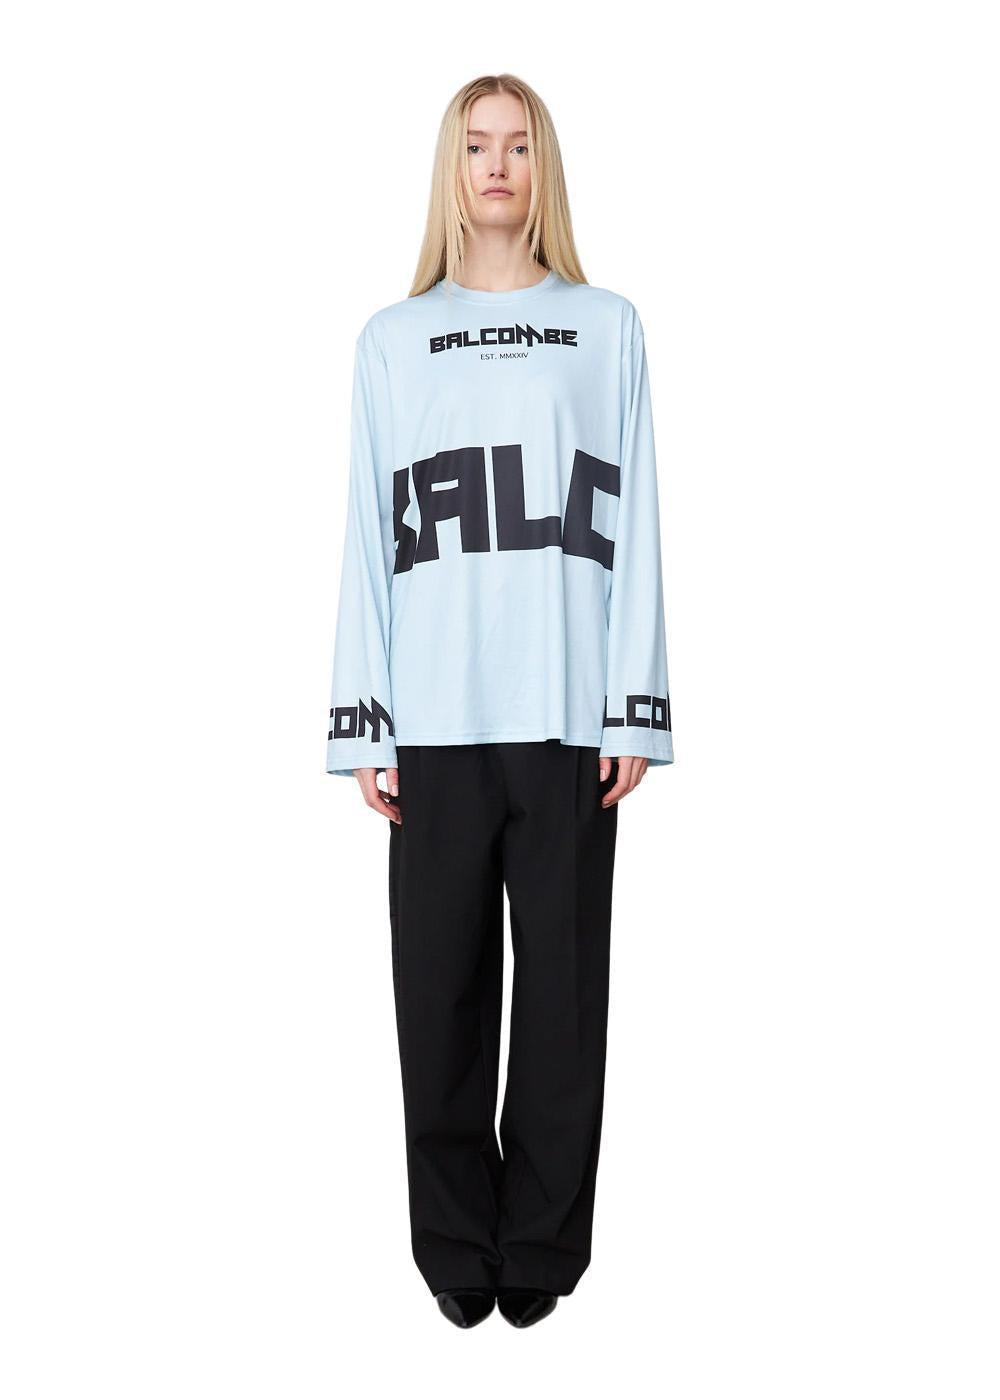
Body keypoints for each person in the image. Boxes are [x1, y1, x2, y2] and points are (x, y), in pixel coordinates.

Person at [325, 73, 673, 1330]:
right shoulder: (392, 339)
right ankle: (454, 1243)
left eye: (518, 145)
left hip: (569, 709)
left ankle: (539, 1241)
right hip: (434, 714)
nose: (496, 166)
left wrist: (635, 708)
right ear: (450, 165)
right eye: (476, 145)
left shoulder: (606, 327)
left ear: (542, 166)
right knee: (440, 994)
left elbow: (635, 524)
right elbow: (368, 531)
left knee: (564, 994)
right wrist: (361, 716)